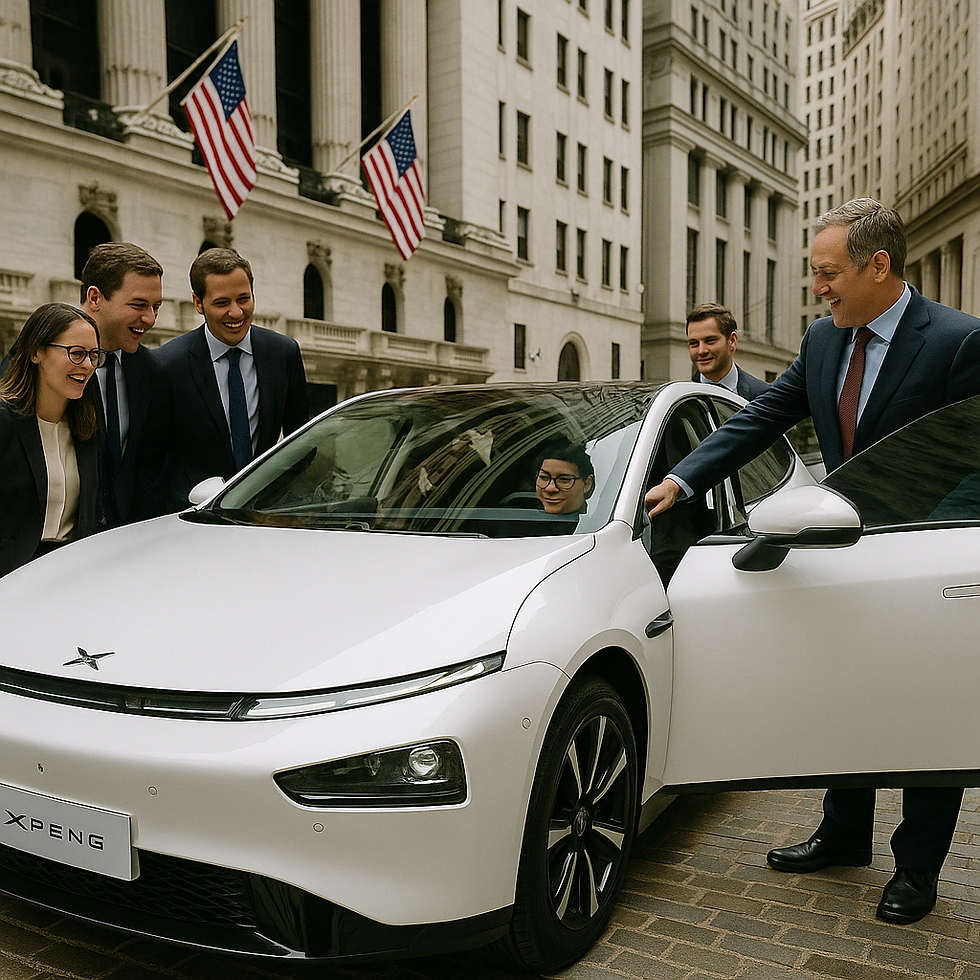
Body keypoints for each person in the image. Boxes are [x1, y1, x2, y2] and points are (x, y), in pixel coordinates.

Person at [645, 197, 980, 925]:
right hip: (839, 549)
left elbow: (975, 463)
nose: (818, 287)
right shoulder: (825, 340)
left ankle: (918, 868)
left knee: (928, 709)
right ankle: (843, 833)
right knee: (845, 693)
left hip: (920, 564)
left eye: (828, 273)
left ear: (878, 265)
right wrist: (684, 476)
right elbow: (765, 414)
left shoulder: (960, 341)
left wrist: (942, 553)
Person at [147, 248, 309, 513]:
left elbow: (301, 439)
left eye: (243, 299)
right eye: (222, 303)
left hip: (266, 515)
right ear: (198, 303)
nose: (236, 313)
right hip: (193, 519)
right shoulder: (167, 365)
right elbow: (152, 459)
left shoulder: (284, 353)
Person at [0, 304, 104, 576]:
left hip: (71, 573)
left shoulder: (89, 425)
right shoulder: (4, 422)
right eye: (77, 353)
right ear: (37, 352)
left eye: (94, 355)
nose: (88, 365)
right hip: (10, 578)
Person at [80, 242, 164, 525]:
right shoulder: (40, 357)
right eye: (139, 305)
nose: (150, 319)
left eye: (156, 307)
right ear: (95, 298)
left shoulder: (148, 368)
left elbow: (147, 463)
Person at [686, 302, 769, 399]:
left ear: (732, 341)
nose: (701, 351)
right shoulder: (680, 399)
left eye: (710, 340)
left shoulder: (764, 396)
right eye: (694, 343)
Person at [535, 440, 594, 516]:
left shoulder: (603, 524)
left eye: (564, 479)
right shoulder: (523, 516)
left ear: (587, 484)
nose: (550, 488)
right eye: (544, 477)